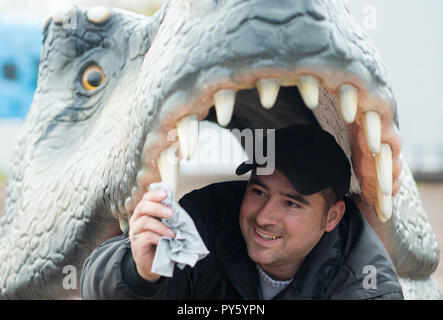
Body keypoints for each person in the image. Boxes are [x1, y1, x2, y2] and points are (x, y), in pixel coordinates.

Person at [80, 124, 404, 300]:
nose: (263, 217)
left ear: (332, 217)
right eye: (259, 191)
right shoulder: (206, 217)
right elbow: (94, 286)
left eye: (292, 203)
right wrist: (137, 273)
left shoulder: (367, 287)